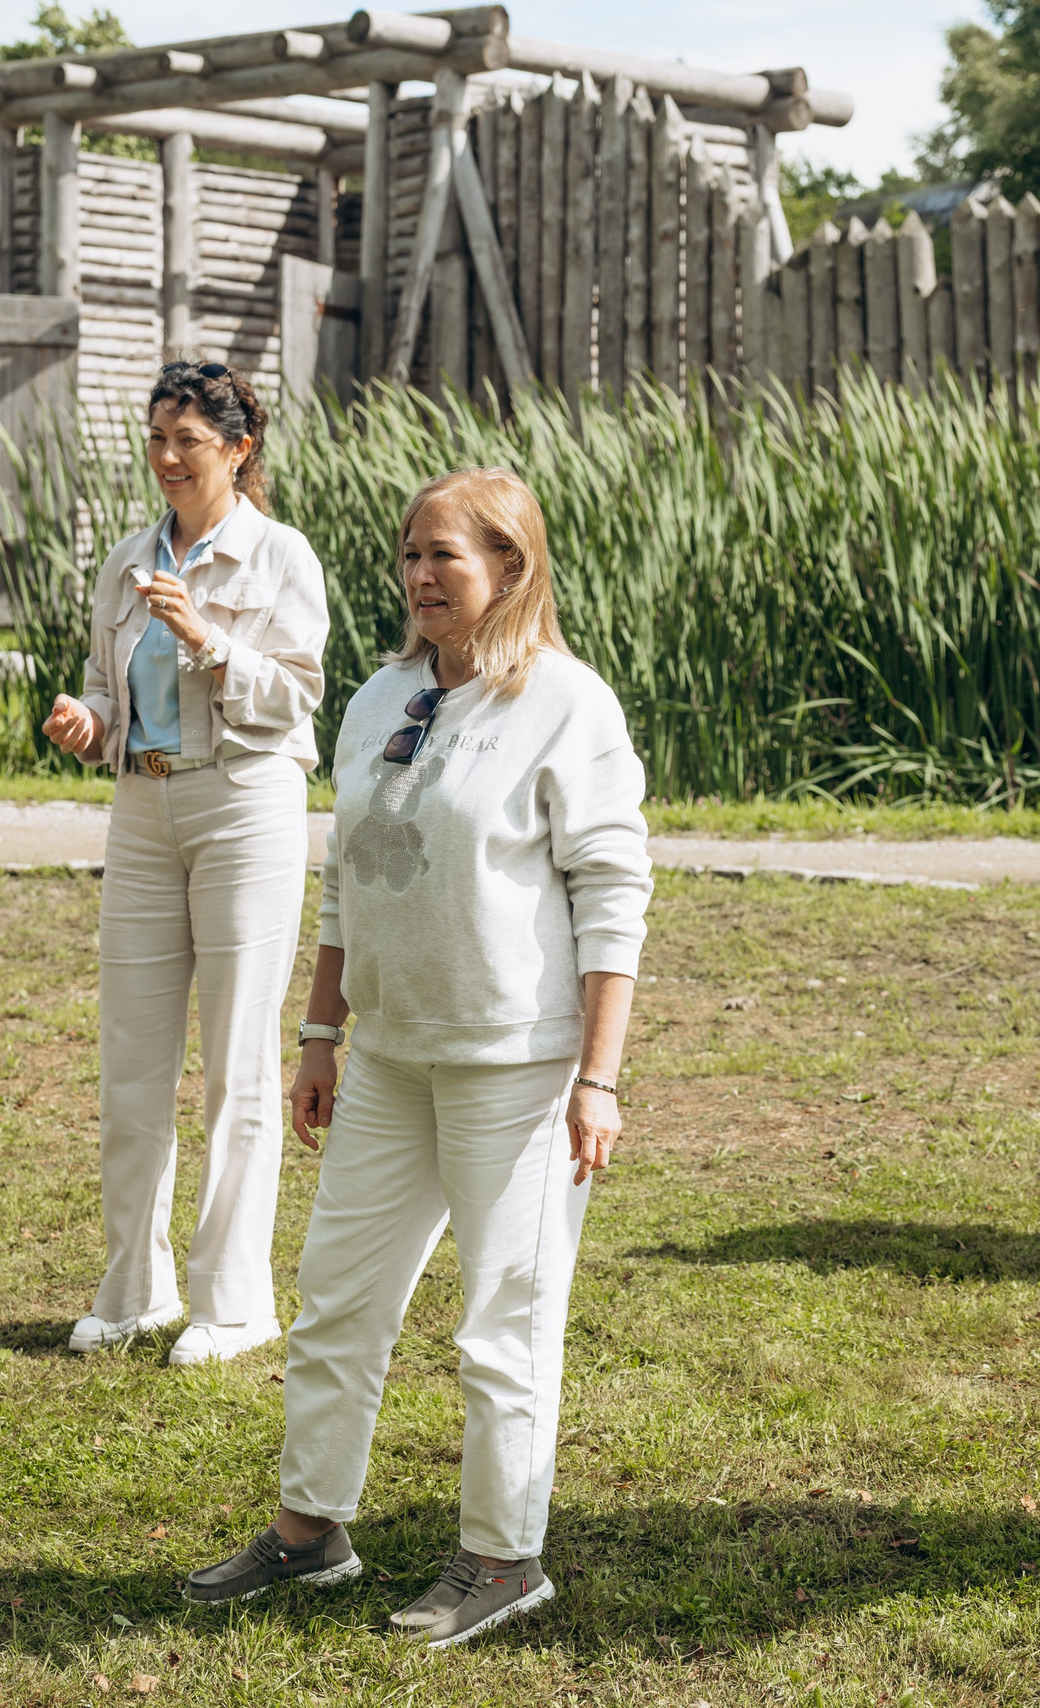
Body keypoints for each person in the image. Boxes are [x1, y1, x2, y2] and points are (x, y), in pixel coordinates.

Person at [180, 467, 650, 1649]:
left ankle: (500, 1557)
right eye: (410, 554)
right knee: (338, 1297)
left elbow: (611, 897)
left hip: (519, 1064)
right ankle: (309, 1530)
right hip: (387, 1054)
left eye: (446, 554)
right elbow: (347, 878)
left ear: (511, 566)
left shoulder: (566, 707)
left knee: (504, 1317)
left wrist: (598, 1077)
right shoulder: (381, 694)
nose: (422, 575)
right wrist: (322, 1034)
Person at [40, 360, 327, 1366]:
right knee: (132, 1063)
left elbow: (297, 697)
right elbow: (104, 691)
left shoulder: (279, 557)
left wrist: (207, 639)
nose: (166, 459)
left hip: (244, 802)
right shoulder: (125, 559)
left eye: (187, 443)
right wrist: (89, 722)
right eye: (156, 440)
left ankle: (235, 1302)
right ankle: (132, 1289)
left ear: (239, 450)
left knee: (237, 1067)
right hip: (142, 805)